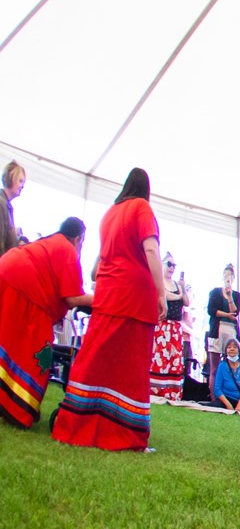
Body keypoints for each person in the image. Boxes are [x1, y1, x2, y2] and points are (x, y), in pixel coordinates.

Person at [53, 168, 164, 451]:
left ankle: (77, 424)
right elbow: (151, 250)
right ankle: (126, 435)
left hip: (107, 296)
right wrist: (161, 293)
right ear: (145, 190)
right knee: (129, 369)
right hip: (134, 301)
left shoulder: (110, 214)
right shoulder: (141, 208)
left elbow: (96, 267)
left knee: (94, 362)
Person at [0, 217, 93, 428]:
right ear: (78, 238)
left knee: (8, 339)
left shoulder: (52, 243)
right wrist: (104, 299)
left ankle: (9, 401)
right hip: (24, 286)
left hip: (8, 271)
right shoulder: (67, 250)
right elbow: (72, 298)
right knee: (36, 349)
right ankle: (18, 407)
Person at [148, 254, 189, 403]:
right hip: (162, 326)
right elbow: (165, 296)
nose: (172, 268)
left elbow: (187, 302)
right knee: (160, 357)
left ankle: (172, 392)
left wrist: (182, 289)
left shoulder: (177, 285)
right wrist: (178, 296)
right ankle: (155, 389)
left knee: (174, 359)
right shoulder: (159, 282)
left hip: (175, 328)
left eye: (174, 265)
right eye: (169, 264)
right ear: (162, 265)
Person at [206, 265, 240, 384]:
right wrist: (226, 315)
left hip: (231, 331)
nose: (227, 279)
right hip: (217, 330)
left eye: (230, 276)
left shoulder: (236, 295)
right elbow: (211, 310)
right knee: (214, 368)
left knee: (231, 366)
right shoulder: (215, 292)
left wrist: (230, 296)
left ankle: (228, 395)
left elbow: (235, 312)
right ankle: (213, 397)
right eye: (225, 276)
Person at [212, 338, 240, 413]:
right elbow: (217, 389)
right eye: (229, 347)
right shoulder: (222, 366)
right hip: (226, 399)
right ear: (226, 351)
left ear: (239, 351)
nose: (232, 349)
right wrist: (228, 405)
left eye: (234, 347)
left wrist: (239, 404)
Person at [0, 161, 26, 256]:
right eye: (20, 181)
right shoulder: (1, 204)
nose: (23, 186)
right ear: (11, 177)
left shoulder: (7, 206)